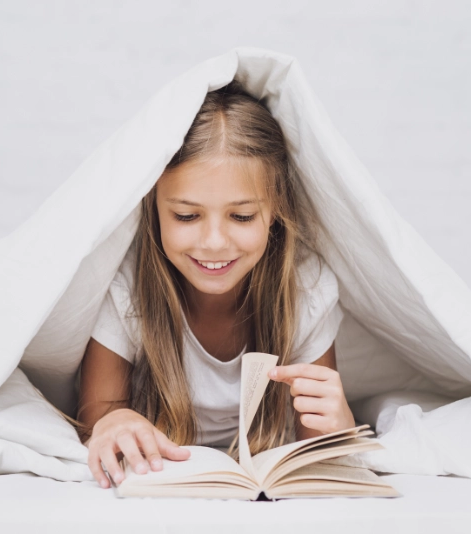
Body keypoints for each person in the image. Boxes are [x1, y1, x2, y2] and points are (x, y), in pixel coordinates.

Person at [77, 80, 353, 490]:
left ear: (275, 208)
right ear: (154, 205)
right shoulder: (126, 290)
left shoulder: (305, 290)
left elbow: (314, 450)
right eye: (187, 217)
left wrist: (338, 427)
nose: (214, 243)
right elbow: (94, 420)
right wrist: (112, 423)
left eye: (241, 217)